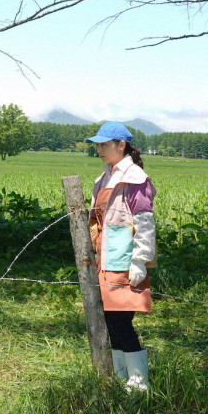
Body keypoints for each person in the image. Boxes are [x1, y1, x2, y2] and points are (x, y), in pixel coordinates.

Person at [86, 122, 156, 392]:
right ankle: (120, 378)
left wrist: (140, 259)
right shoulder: (105, 176)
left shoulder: (135, 178)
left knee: (120, 321)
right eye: (97, 144)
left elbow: (145, 222)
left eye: (104, 144)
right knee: (109, 319)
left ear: (121, 145)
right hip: (105, 258)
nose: (99, 149)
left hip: (125, 259)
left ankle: (139, 383)